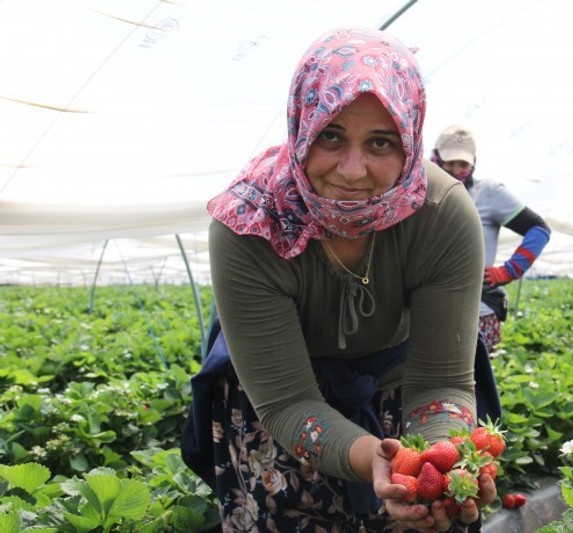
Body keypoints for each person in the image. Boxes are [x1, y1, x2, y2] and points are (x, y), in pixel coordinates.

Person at [183, 27, 498, 532]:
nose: (353, 171)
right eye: (330, 135)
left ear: (412, 140)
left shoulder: (441, 214)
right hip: (279, 403)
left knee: (426, 516)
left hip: (399, 385)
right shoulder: (248, 223)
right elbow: (288, 402)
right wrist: (372, 457)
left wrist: (439, 462)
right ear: (301, 126)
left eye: (381, 142)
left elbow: (440, 380)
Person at [431, 125, 550, 354]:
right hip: (425, 310)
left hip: (477, 313)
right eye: (450, 163)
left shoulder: (488, 193)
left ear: (473, 164)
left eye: (463, 164)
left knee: (475, 385)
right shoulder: (418, 193)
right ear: (436, 159)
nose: (457, 170)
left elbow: (539, 230)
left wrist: (508, 271)